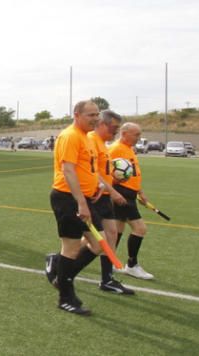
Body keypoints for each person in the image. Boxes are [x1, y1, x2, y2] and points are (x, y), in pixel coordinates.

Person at [43, 100, 105, 316]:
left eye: (97, 114)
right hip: (67, 198)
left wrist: (97, 185)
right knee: (70, 248)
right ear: (77, 114)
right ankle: (65, 297)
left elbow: (87, 168)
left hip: (83, 198)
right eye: (91, 115)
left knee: (98, 244)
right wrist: (81, 202)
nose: (96, 118)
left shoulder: (86, 137)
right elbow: (68, 170)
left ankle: (59, 269)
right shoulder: (70, 136)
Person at [87, 110, 133, 295]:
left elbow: (103, 170)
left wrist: (115, 181)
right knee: (93, 240)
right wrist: (113, 191)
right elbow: (92, 172)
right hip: (94, 195)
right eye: (114, 127)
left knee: (112, 234)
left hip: (104, 195)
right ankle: (60, 261)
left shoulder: (103, 143)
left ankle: (107, 279)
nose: (116, 132)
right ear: (103, 124)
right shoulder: (90, 140)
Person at [110, 123, 155, 280]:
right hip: (121, 195)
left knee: (117, 230)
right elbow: (107, 173)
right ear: (124, 133)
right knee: (140, 228)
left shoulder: (129, 149)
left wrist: (140, 192)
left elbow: (132, 174)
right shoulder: (115, 149)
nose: (138, 138)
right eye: (136, 134)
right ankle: (132, 265)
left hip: (130, 194)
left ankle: (110, 263)